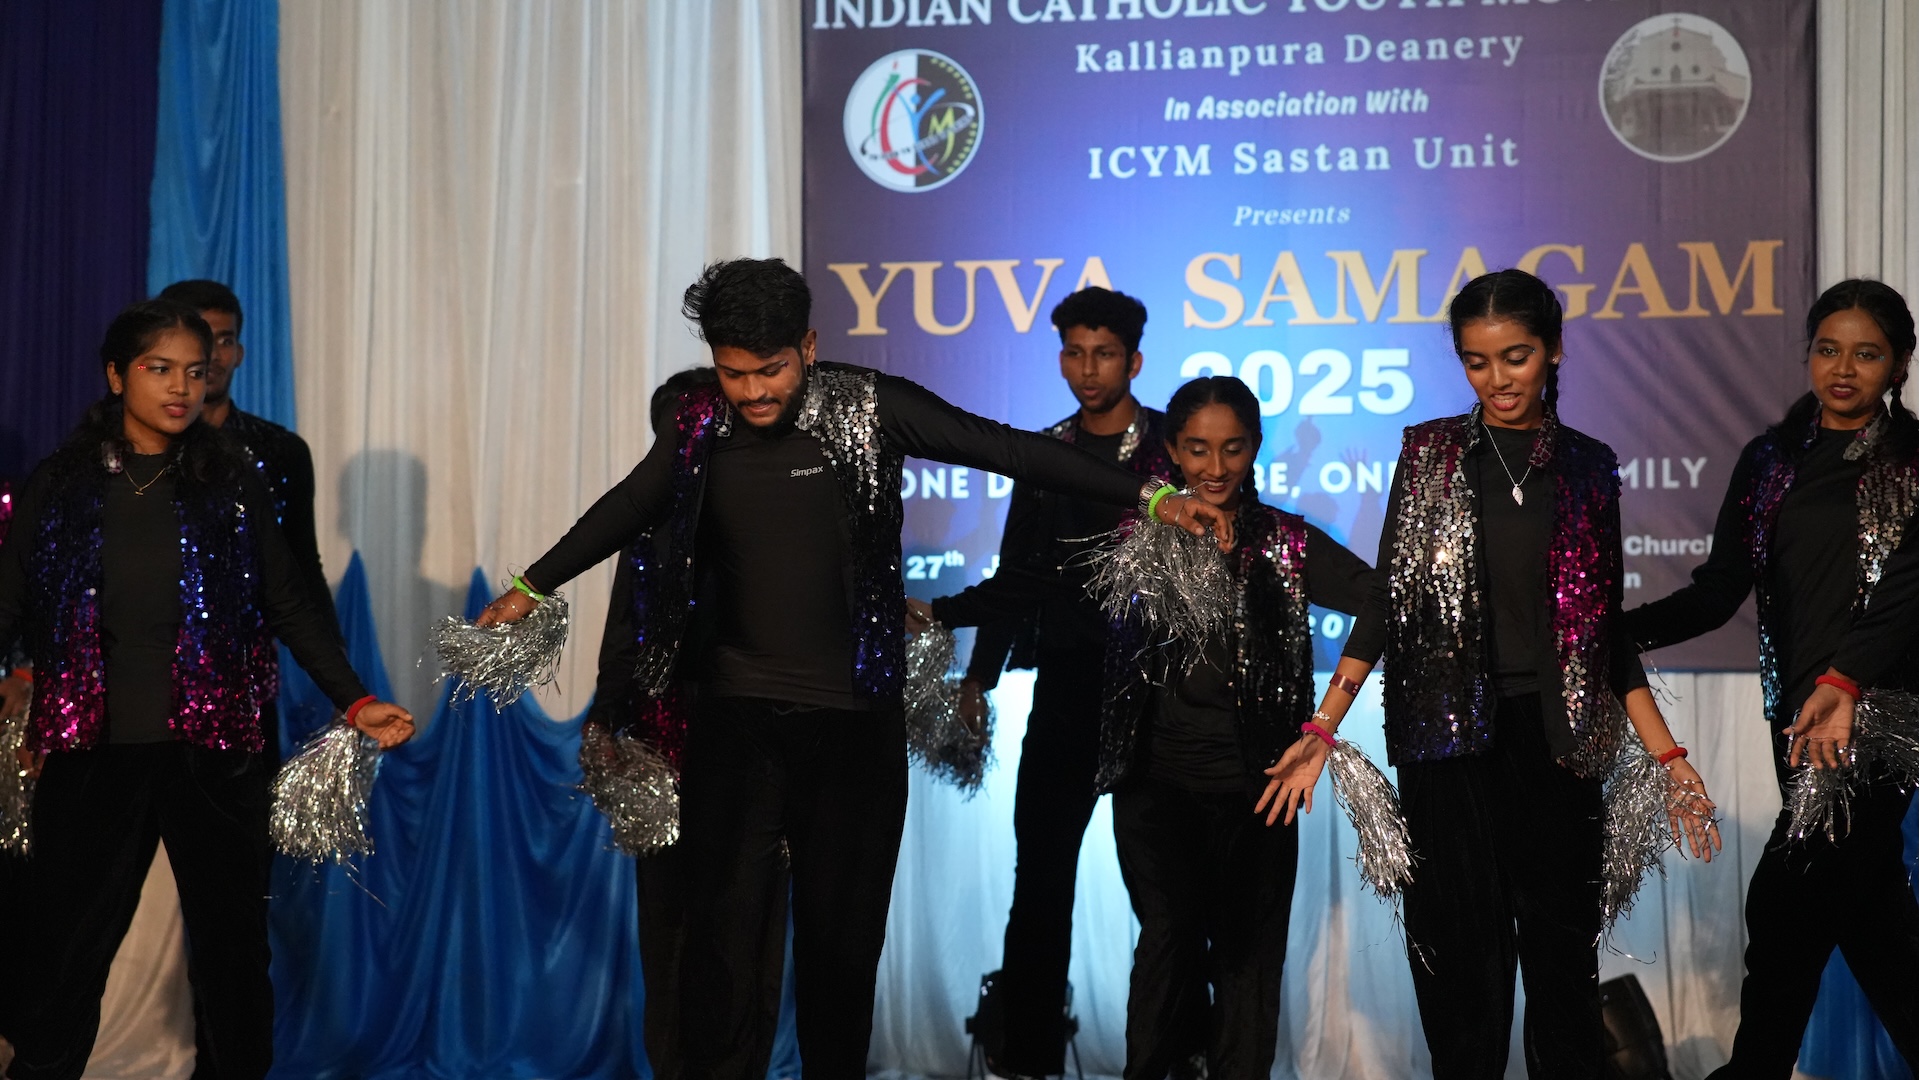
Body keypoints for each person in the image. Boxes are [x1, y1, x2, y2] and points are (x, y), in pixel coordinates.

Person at [472, 258, 1233, 1079]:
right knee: (719, 947)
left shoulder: (871, 405)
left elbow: (1007, 449)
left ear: (807, 346)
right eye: (733, 372)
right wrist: (531, 584)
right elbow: (630, 503)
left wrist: (1153, 498)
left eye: (770, 370)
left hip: (852, 730)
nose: (752, 392)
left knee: (839, 954)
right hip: (736, 724)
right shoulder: (697, 421)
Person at [1262, 269, 1720, 1080]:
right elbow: (1390, 598)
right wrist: (1322, 725)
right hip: (1444, 744)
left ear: (1552, 351)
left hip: (1557, 742)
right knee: (1458, 972)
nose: (1497, 379)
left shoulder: (1587, 467)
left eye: (1515, 357)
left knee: (1561, 970)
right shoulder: (1429, 453)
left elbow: (1603, 632)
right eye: (1476, 361)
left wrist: (1669, 755)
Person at [0, 300, 412, 1080]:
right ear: (117, 375)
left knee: (232, 961)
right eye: (159, 369)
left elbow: (287, 599)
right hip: (91, 753)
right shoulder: (63, 482)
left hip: (214, 755)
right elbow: (9, 598)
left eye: (194, 371)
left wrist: (355, 699)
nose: (180, 387)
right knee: (61, 960)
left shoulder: (232, 481)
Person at [1626, 278, 1919, 1078]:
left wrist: (1846, 678)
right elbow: (1719, 589)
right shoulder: (1769, 461)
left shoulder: (1912, 461)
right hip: (1794, 723)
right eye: (1827, 350)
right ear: (1807, 355)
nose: (1843, 369)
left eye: (1866, 354)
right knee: (1876, 933)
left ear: (1897, 366)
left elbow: (1910, 592)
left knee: (1783, 908)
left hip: (1878, 721)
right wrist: (1614, 635)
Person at [903, 286, 1175, 1079]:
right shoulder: (1044, 452)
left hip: (1156, 696)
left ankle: (1173, 1053)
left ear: (1133, 361)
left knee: (1164, 892)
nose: (1088, 370)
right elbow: (1016, 574)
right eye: (1074, 353)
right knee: (1041, 879)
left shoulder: (1171, 449)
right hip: (1065, 690)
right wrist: (977, 678)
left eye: (1103, 355)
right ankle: (1026, 1056)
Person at [1098, 376, 1372, 1080]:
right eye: (1197, 449)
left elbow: (1383, 604)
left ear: (1254, 448)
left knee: (1248, 966)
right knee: (1167, 947)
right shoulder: (1137, 537)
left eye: (1232, 448)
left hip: (1259, 791)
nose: (1215, 468)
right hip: (1155, 788)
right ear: (1170, 449)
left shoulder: (1285, 542)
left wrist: (1324, 725)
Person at [586, 365, 790, 1080]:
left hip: (758, 745)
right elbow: (624, 628)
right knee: (669, 924)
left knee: (751, 919)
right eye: (669, 434)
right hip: (662, 750)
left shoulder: (772, 510)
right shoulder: (647, 522)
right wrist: (604, 720)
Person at [157, 279, 337, 761]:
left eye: (225, 339)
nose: (213, 355)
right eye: (199, 339)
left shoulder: (280, 451)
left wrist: (343, 683)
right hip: (137, 689)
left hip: (242, 690)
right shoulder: (130, 454)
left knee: (243, 810)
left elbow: (302, 569)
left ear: (239, 352)